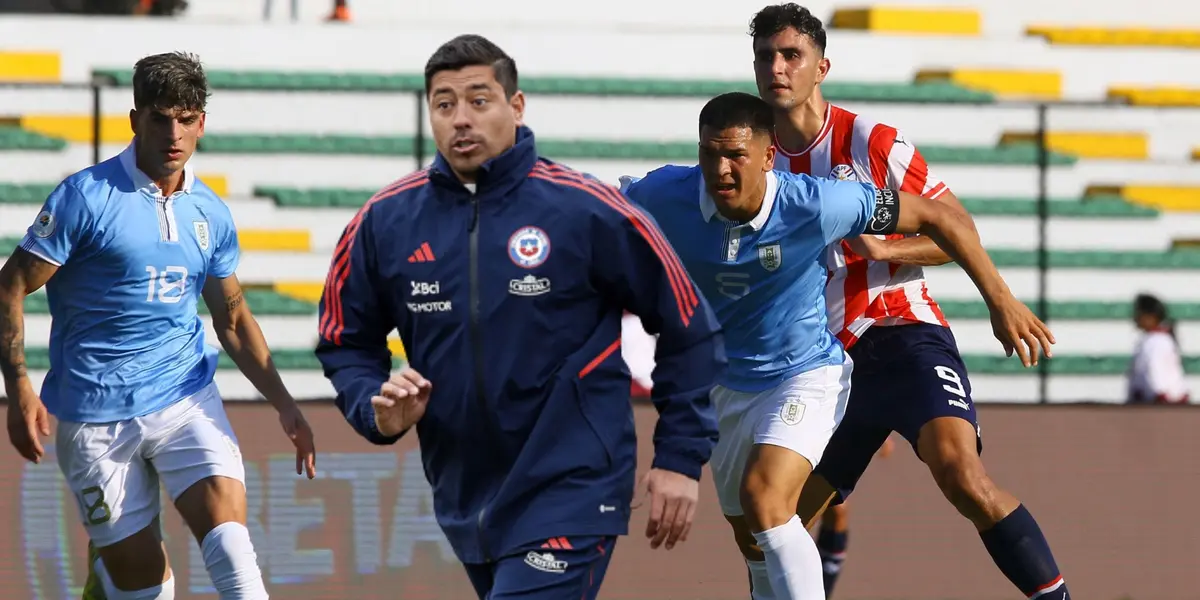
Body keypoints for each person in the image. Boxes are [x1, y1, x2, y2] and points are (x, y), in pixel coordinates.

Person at [314, 34, 724, 600]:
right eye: (444, 103)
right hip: (464, 498)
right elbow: (344, 343)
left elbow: (689, 326)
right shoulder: (384, 221)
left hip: (572, 487)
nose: (461, 119)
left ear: (517, 105)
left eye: (479, 100)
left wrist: (679, 456)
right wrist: (376, 410)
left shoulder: (588, 208)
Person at [620, 90, 1053, 600]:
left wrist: (1000, 302)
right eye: (710, 153)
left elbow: (946, 219)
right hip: (727, 384)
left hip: (806, 371)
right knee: (758, 541)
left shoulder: (818, 200)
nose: (721, 169)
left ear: (767, 156)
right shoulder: (662, 194)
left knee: (768, 500)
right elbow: (586, 219)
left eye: (735, 155)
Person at [744, 4, 1072, 599]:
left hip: (900, 332)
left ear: (821, 67)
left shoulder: (871, 142)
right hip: (818, 366)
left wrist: (999, 300)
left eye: (791, 54)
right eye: (766, 55)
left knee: (963, 477)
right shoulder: (751, 160)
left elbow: (956, 227)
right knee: (767, 524)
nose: (777, 67)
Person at [0, 51, 317, 600]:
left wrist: (285, 402)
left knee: (234, 556)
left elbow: (234, 317)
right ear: (135, 119)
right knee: (146, 588)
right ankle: (109, 579)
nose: (174, 133)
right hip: (94, 413)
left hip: (184, 397)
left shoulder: (210, 212)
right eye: (159, 117)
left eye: (186, 117)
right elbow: (10, 286)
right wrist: (20, 387)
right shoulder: (85, 198)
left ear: (201, 123)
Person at [1128, 293, 1189, 404]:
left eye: (1139, 314)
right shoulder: (1150, 340)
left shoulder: (1158, 341)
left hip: (1162, 402)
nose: (1135, 318)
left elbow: (1156, 370)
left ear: (1151, 316)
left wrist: (1159, 395)